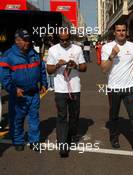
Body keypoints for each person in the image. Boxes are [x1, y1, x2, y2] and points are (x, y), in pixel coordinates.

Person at [100, 22, 133, 159]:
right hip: (114, 88)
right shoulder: (107, 47)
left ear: (126, 32)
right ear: (114, 32)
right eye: (118, 30)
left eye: (123, 30)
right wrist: (112, 55)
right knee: (114, 115)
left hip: (130, 88)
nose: (121, 32)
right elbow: (104, 69)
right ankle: (114, 138)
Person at [0, 29, 47, 151]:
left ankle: (34, 141)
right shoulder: (8, 56)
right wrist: (13, 89)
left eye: (28, 40)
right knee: (17, 119)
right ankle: (18, 140)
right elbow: (4, 77)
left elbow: (41, 69)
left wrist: (43, 84)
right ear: (17, 41)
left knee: (34, 119)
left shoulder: (34, 53)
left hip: (33, 93)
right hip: (18, 95)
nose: (27, 43)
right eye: (24, 40)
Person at [46, 28, 87, 158]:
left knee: (74, 115)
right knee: (62, 116)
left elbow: (84, 68)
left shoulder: (77, 49)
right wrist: (58, 65)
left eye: (66, 39)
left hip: (75, 88)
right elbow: (49, 70)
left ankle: (72, 133)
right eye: (61, 39)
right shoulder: (53, 50)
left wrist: (75, 65)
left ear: (70, 37)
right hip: (60, 89)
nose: (64, 42)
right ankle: (63, 144)